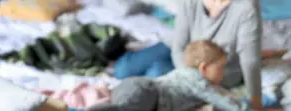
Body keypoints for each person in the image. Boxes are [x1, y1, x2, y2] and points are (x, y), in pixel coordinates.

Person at [113, 0, 263, 109]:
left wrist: (255, 101)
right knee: (122, 70)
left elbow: (250, 59)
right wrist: (185, 75)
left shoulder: (246, 4)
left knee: (155, 78)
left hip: (215, 68)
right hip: (184, 59)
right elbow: (178, 46)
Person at [89, 40, 251, 111]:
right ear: (204, 67)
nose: (223, 72)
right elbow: (223, 100)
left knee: (126, 106)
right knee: (126, 109)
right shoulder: (198, 81)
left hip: (129, 87)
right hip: (147, 92)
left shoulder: (182, 73)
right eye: (220, 68)